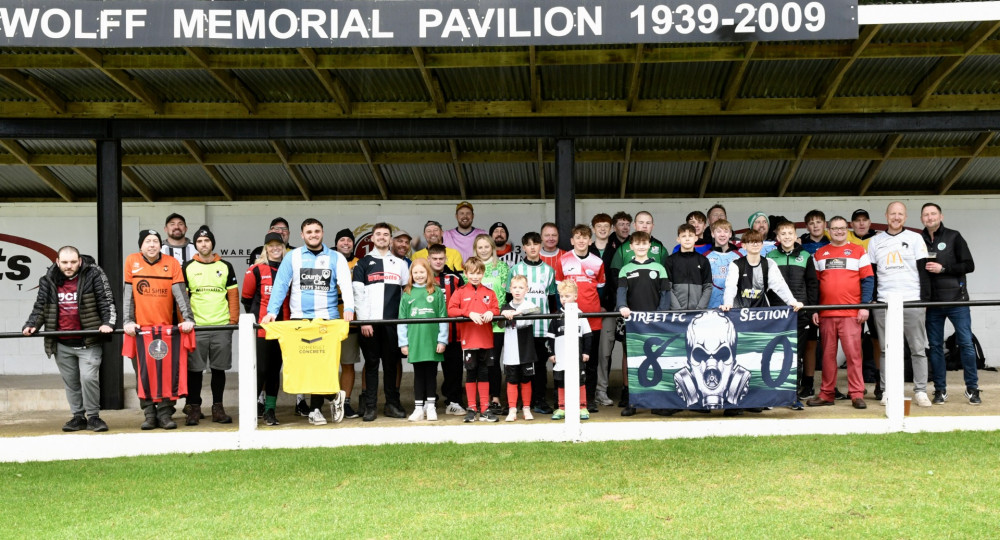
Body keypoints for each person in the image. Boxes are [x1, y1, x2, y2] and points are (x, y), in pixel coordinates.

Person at [262, 218, 354, 425]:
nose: (313, 234)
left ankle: (315, 410)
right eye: (309, 232)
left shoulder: (336, 257)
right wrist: (271, 312)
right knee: (305, 366)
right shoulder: (292, 257)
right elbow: (281, 285)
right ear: (302, 235)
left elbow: (345, 284)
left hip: (327, 319)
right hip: (300, 318)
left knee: (322, 366)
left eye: (317, 231)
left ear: (322, 233)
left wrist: (349, 308)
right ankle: (333, 396)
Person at [22, 246, 116, 433]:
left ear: (79, 261)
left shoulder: (93, 274)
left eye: (73, 262)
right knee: (71, 382)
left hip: (88, 341)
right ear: (57, 262)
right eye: (64, 262)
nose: (69, 266)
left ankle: (94, 417)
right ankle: (78, 417)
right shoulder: (48, 280)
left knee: (89, 378)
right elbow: (40, 307)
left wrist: (108, 323)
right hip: (61, 342)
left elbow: (106, 300)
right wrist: (31, 324)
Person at [123, 229, 195, 430]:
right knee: (143, 375)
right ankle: (149, 415)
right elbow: (128, 294)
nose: (152, 245)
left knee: (167, 374)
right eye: (148, 241)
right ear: (141, 245)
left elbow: (180, 294)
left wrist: (188, 319)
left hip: (166, 332)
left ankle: (165, 414)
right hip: (140, 332)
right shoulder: (131, 261)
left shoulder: (171, 263)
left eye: (155, 241)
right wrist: (128, 321)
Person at [867, 202, 933, 407]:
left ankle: (921, 390)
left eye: (900, 214)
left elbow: (924, 271)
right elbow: (872, 272)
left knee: (918, 347)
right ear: (886, 215)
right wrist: (874, 299)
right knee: (886, 349)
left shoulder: (915, 238)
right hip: (885, 301)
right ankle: (887, 391)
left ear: (905, 217)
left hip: (912, 299)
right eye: (892, 213)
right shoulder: (875, 241)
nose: (896, 217)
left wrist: (925, 300)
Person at [809, 216, 874, 409]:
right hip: (826, 313)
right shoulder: (820, 254)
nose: (839, 231)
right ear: (829, 230)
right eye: (835, 228)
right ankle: (827, 394)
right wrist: (815, 308)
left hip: (851, 313)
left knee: (854, 355)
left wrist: (864, 305)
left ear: (848, 230)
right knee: (827, 357)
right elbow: (815, 284)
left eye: (842, 228)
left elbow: (868, 280)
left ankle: (856, 394)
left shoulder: (858, 251)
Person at [921, 203, 980, 405]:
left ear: (941, 216)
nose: (929, 218)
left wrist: (943, 268)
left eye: (933, 214)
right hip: (932, 304)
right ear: (922, 219)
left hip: (957, 301)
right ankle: (940, 390)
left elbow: (969, 265)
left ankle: (972, 389)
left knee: (966, 344)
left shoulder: (954, 236)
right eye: (926, 215)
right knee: (935, 347)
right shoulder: (917, 240)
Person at [181, 226, 239, 426]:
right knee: (194, 370)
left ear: (212, 243)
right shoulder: (188, 266)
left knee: (219, 369)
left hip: (221, 325)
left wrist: (233, 321)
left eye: (206, 241)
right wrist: (185, 321)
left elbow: (232, 295)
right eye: (199, 241)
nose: (203, 244)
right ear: (195, 245)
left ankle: (218, 408)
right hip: (197, 327)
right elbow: (183, 298)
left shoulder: (225, 266)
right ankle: (194, 408)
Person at [352, 222, 409, 422]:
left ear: (390, 239)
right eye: (378, 234)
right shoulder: (363, 263)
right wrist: (364, 321)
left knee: (391, 365)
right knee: (372, 364)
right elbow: (358, 294)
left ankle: (392, 404)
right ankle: (370, 407)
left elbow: (407, 294)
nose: (382, 237)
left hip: (393, 324)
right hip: (370, 323)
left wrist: (404, 323)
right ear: (372, 238)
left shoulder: (401, 264)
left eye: (386, 234)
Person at [609, 210, 665, 407]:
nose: (644, 226)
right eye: (640, 222)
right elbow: (618, 284)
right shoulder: (624, 257)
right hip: (631, 317)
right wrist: (622, 306)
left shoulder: (660, 254)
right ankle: (629, 392)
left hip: (653, 316)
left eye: (648, 222)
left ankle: (656, 392)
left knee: (656, 352)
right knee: (629, 352)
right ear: (631, 246)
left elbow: (665, 288)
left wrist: (661, 311)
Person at [616, 231, 671, 417]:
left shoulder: (659, 268)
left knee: (657, 362)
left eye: (644, 243)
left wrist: (661, 315)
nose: (640, 246)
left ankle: (657, 402)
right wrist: (622, 306)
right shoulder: (625, 269)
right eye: (637, 243)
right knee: (634, 363)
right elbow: (621, 293)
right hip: (634, 324)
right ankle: (634, 402)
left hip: (654, 323)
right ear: (630, 247)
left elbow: (665, 295)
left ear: (649, 245)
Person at [767, 220, 820, 409]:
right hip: (777, 313)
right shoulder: (770, 256)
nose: (787, 237)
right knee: (777, 353)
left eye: (790, 233)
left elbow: (813, 284)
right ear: (778, 237)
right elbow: (767, 286)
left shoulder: (805, 256)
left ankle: (792, 395)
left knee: (796, 355)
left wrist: (812, 309)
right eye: (783, 234)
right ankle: (776, 394)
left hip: (800, 312)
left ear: (796, 236)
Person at [555, 224, 605, 412]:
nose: (581, 240)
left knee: (589, 362)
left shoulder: (597, 262)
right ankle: (563, 401)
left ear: (590, 241)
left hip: (592, 318)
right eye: (578, 237)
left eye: (585, 237)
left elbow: (601, 288)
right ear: (572, 240)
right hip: (568, 319)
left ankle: (588, 400)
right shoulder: (563, 260)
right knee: (565, 360)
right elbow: (558, 289)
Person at [242, 232, 290, 426]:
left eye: (278, 244)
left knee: (274, 371)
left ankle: (270, 410)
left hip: (283, 328)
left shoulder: (290, 269)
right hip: (262, 329)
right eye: (271, 245)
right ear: (266, 248)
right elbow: (246, 299)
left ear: (284, 246)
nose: (275, 248)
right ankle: (251, 409)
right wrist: (259, 321)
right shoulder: (256, 269)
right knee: (260, 370)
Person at [447, 257, 501, 422]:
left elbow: (496, 309)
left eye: (478, 273)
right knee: (471, 373)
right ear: (466, 273)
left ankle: (485, 408)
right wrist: (468, 313)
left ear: (483, 273)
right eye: (471, 273)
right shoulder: (461, 291)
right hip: (469, 340)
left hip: (486, 340)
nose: (475, 276)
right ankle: (472, 408)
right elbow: (451, 310)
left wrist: (492, 312)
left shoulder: (489, 292)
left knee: (484, 373)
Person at [510, 232, 558, 415]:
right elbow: (509, 299)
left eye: (535, 244)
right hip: (521, 327)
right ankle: (519, 402)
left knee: (539, 366)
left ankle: (539, 400)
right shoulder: (516, 270)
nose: (532, 247)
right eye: (528, 244)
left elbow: (552, 300)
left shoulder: (548, 271)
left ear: (540, 246)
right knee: (519, 365)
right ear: (523, 247)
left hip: (542, 327)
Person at [397, 258, 448, 421]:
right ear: (411, 274)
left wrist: (442, 340)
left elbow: (443, 317)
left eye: (422, 272)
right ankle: (418, 408)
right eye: (415, 272)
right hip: (415, 341)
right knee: (418, 375)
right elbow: (402, 320)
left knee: (431, 374)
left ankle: (431, 407)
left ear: (429, 273)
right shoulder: (407, 293)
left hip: (432, 341)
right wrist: (403, 342)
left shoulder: (436, 291)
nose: (419, 275)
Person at [426, 243, 467, 415]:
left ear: (446, 258)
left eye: (441, 258)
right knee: (428, 370)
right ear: (428, 259)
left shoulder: (455, 278)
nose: (437, 261)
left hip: (453, 334)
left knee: (454, 370)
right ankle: (429, 402)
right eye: (434, 258)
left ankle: (454, 401)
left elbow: (464, 299)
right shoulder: (421, 277)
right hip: (428, 334)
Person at [473, 233, 510, 415]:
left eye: (487, 246)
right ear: (475, 250)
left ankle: (495, 399)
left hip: (495, 323)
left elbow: (504, 295)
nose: (484, 250)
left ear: (492, 248)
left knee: (493, 362)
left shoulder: (502, 267)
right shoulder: (471, 267)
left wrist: (495, 313)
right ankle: (481, 400)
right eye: (480, 247)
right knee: (479, 364)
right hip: (477, 324)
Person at [848, 208, 883, 399]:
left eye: (864, 220)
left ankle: (880, 381)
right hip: (853, 299)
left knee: (878, 339)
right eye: (857, 220)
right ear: (851, 224)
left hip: (875, 297)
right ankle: (858, 383)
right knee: (856, 342)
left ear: (870, 223)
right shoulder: (845, 239)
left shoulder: (879, 239)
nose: (861, 223)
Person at [546, 280, 593, 420]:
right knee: (561, 382)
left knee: (580, 381)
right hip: (561, 358)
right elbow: (550, 337)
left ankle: (582, 407)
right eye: (561, 296)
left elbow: (588, 335)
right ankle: (561, 407)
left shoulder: (580, 315)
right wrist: (551, 353)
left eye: (567, 296)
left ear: (575, 296)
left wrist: (586, 352)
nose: (564, 299)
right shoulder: (556, 316)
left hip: (577, 357)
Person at [498, 274, 539, 421]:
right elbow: (499, 324)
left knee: (526, 380)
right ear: (510, 289)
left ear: (526, 290)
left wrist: (519, 312)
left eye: (521, 287)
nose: (517, 290)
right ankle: (512, 409)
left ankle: (526, 409)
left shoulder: (529, 305)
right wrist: (504, 313)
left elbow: (537, 311)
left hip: (526, 350)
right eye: (514, 287)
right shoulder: (505, 306)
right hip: (510, 353)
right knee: (511, 381)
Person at [334, 228, 363, 419]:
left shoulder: (360, 263)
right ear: (336, 243)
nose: (346, 243)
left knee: (348, 364)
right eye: (341, 239)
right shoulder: (328, 259)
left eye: (349, 240)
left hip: (350, 322)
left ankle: (345, 403)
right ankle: (326, 402)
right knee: (325, 365)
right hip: (328, 321)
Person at [666, 223, 712, 311]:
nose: (687, 239)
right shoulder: (670, 260)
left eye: (690, 236)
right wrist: (676, 309)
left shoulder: (703, 260)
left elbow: (708, 287)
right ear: (678, 239)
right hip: (676, 312)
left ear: (696, 238)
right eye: (683, 236)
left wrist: (700, 309)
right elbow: (667, 287)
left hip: (697, 312)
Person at [705, 219, 741, 309]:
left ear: (730, 234)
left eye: (726, 231)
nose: (722, 234)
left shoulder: (740, 256)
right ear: (713, 234)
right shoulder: (705, 257)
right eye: (718, 231)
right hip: (711, 307)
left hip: (735, 307)